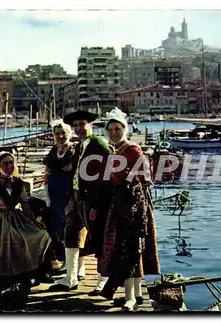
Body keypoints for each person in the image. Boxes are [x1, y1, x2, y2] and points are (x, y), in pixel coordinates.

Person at [0, 151, 52, 311]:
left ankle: (27, 283)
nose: (8, 166)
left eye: (10, 163)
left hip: (15, 219)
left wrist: (35, 221)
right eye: (4, 164)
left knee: (40, 237)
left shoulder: (18, 183)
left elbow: (25, 205)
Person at [98, 107, 161, 311]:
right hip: (119, 203)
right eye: (111, 129)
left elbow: (135, 178)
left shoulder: (132, 150)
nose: (114, 132)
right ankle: (134, 294)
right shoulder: (114, 150)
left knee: (128, 248)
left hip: (133, 205)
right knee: (126, 248)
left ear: (124, 129)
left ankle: (130, 298)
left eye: (118, 129)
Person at [48, 109, 113, 292]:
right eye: (75, 125)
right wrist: (70, 198)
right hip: (77, 197)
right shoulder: (80, 146)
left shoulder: (99, 145)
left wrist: (98, 205)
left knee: (98, 237)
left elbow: (107, 178)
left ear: (90, 125)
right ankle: (71, 277)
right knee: (71, 235)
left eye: (82, 124)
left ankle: (103, 279)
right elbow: (74, 174)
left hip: (92, 200)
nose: (79, 128)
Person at [43, 120, 74, 271]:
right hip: (55, 194)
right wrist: (46, 194)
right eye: (57, 133)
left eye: (63, 133)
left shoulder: (74, 150)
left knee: (69, 227)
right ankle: (62, 259)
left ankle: (72, 263)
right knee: (57, 227)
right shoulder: (53, 151)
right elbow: (47, 174)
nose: (60, 136)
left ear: (69, 134)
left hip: (69, 193)